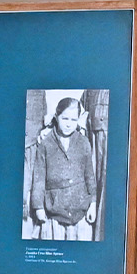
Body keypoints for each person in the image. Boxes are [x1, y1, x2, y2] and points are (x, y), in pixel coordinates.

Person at [27, 96, 99, 240]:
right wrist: (38, 207)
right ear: (56, 117)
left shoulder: (83, 142)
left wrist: (92, 203)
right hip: (54, 212)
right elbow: (39, 179)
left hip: (80, 211)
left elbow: (89, 176)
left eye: (73, 120)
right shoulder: (45, 144)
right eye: (65, 118)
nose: (68, 124)